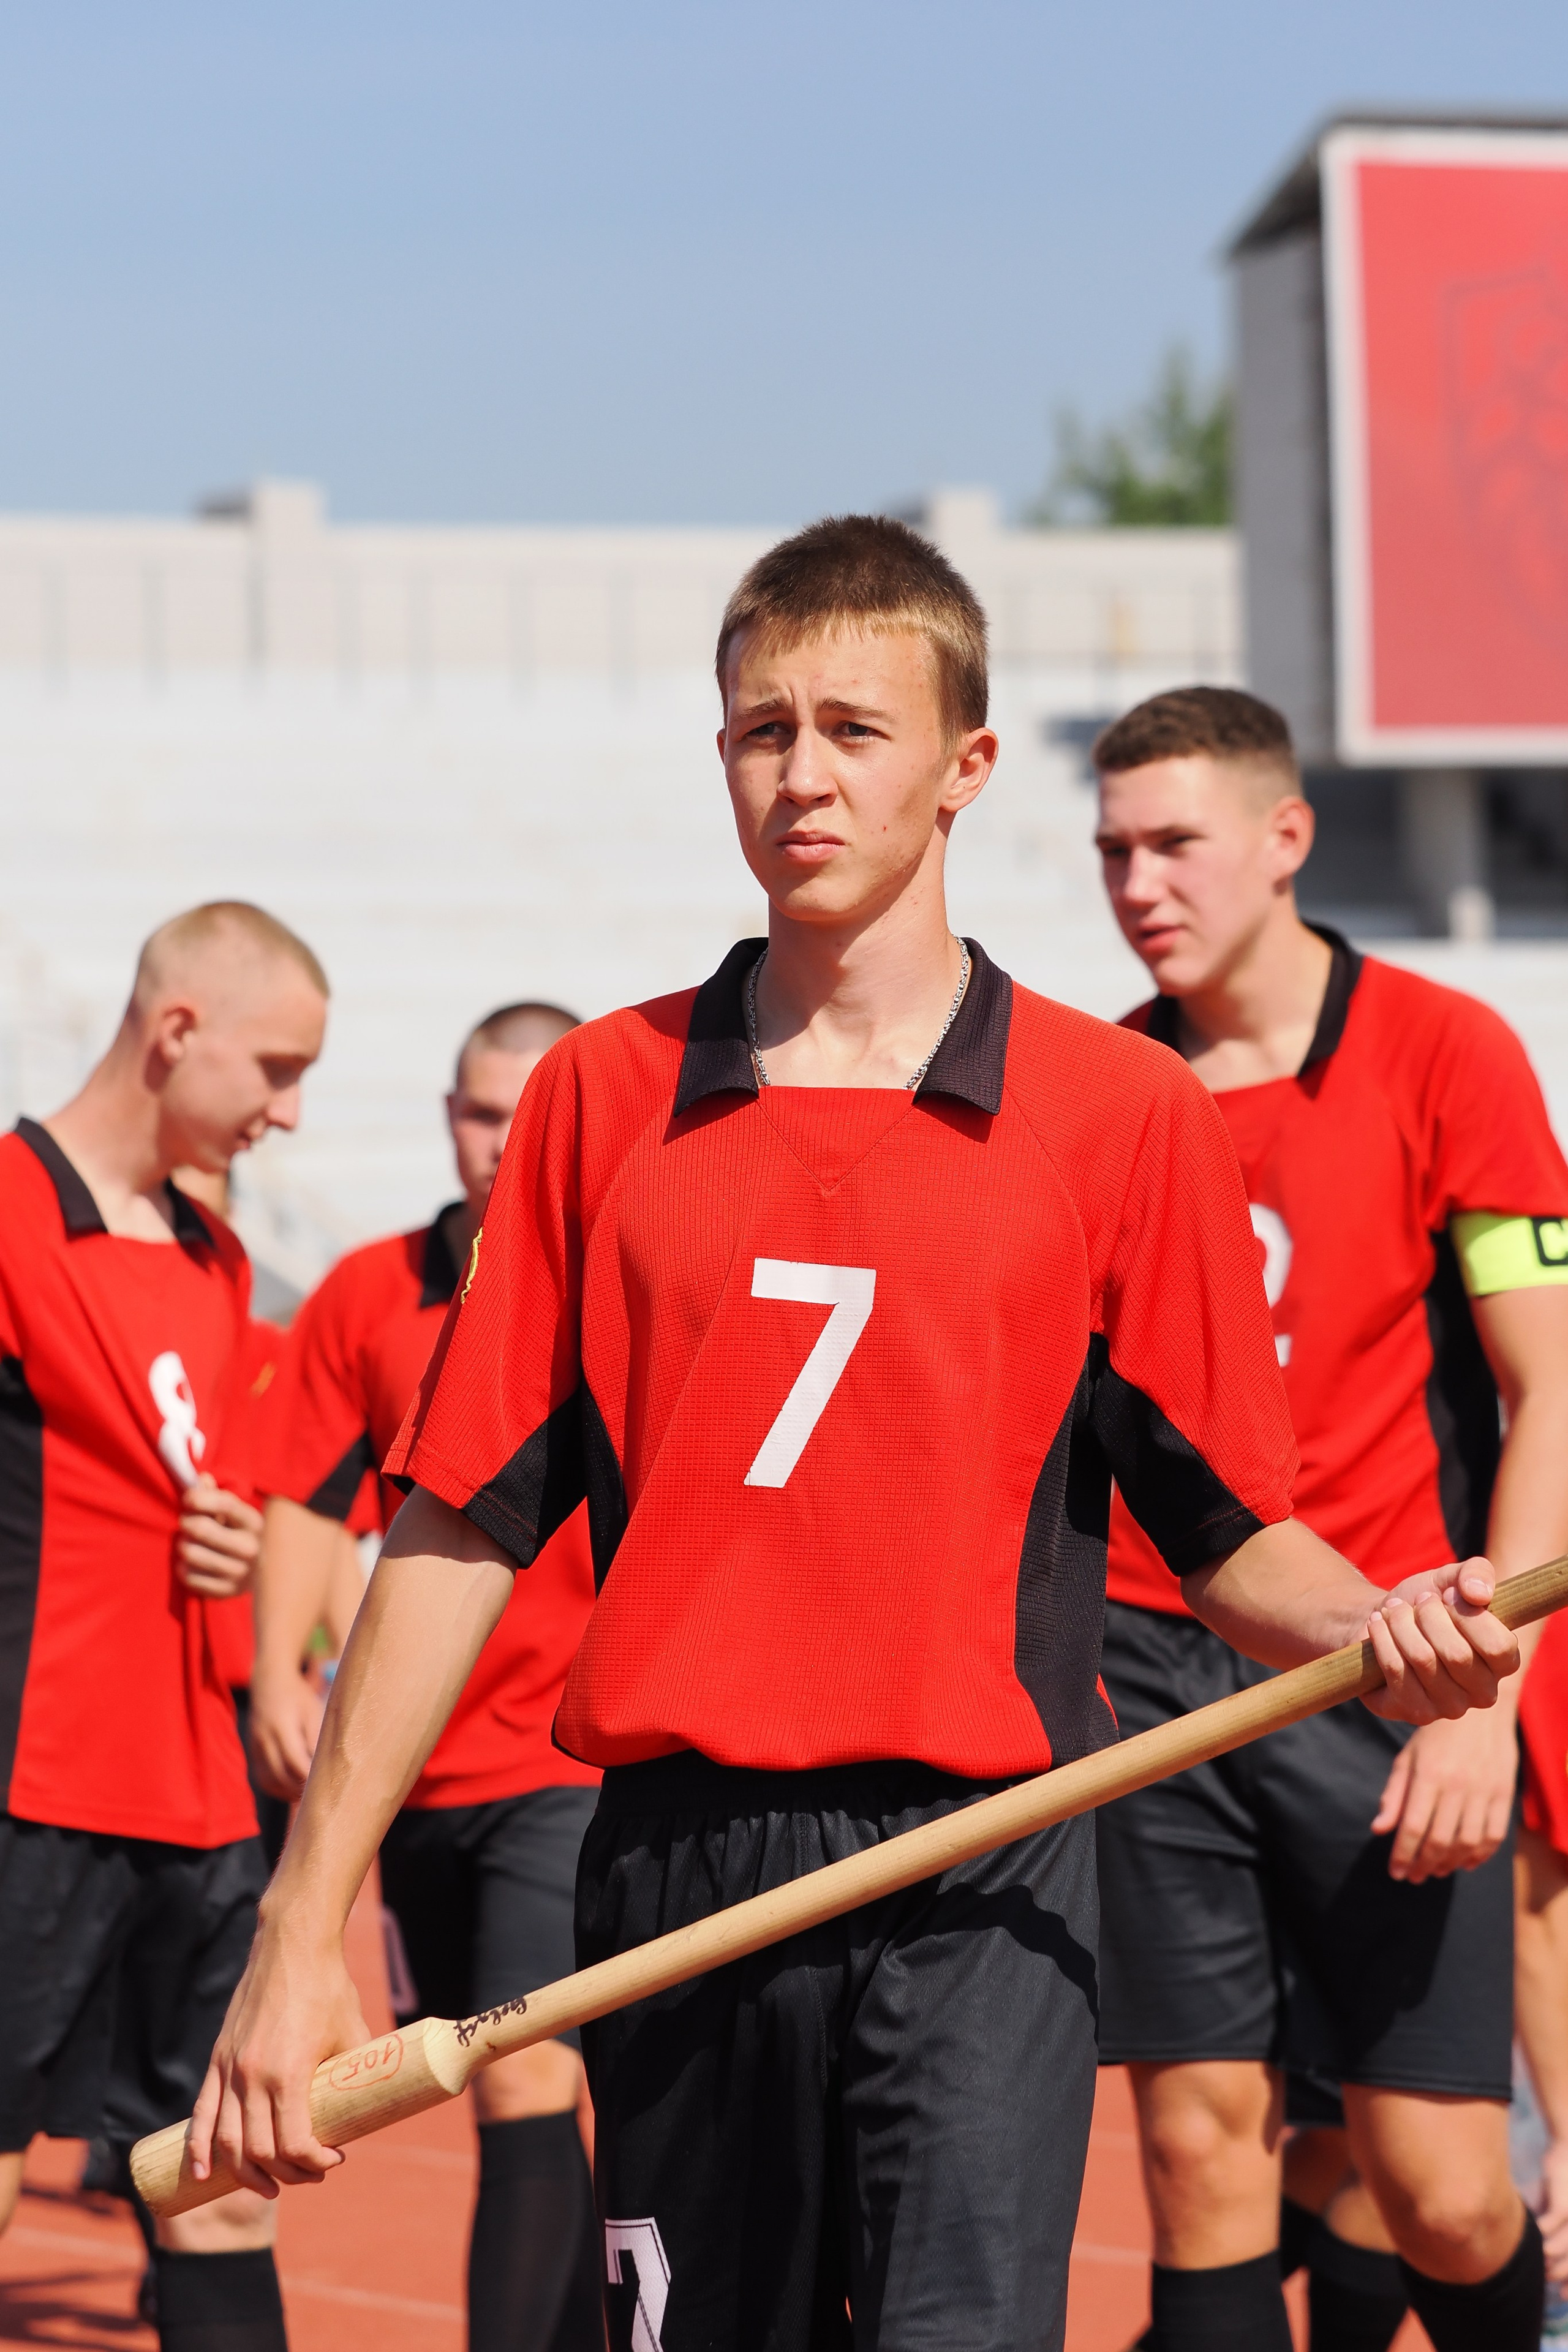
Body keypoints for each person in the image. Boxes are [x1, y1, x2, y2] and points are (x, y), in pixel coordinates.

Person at [195, 519, 1517, 2352]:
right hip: (674, 1871)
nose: (802, 773)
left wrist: (1388, 1635)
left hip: (987, 1859)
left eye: (854, 728)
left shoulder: (1121, 1112)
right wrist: (295, 1931)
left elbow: (1226, 1542)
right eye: (760, 730)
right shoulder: (601, 1095)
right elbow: (457, 1529)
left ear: (968, 766)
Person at [1090, 685, 1568, 2352]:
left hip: (1396, 1654)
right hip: (1149, 1672)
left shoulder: (1450, 1053)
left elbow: (1552, 1387)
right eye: (1111, 851)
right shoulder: (1099, 1093)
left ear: (1287, 840)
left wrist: (1483, 1690)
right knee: (1197, 2150)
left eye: (1174, 844)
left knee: (1432, 2183)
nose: (1138, 883)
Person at [246, 1000, 601, 2352]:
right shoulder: (363, 1294)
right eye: (473, 1111)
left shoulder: (610, 1284)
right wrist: (285, 1667)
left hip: (568, 1770)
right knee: (509, 2101)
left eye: (524, 1114)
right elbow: (300, 1490)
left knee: (520, 2079)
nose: (497, 1143)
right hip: (414, 1781)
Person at [0, 900, 328, 2352]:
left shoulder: (214, 1255)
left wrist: (248, 1548)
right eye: (274, 1068)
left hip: (202, 1804)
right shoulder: (9, 1209)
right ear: (176, 1030)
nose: (291, 1112)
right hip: (36, 1793)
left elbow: (236, 1483)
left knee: (221, 2183)